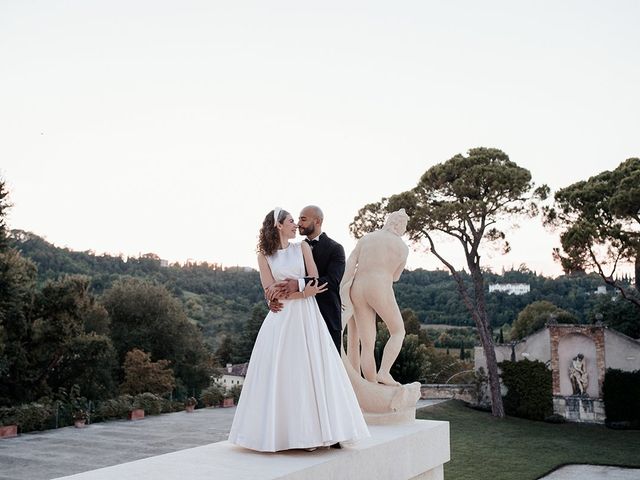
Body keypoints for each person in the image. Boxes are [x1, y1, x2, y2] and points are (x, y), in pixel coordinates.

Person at [228, 208, 369, 452]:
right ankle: (280, 434)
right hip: (280, 319)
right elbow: (269, 290)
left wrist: (298, 290)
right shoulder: (264, 256)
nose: (295, 225)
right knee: (283, 374)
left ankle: (317, 434)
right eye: (292, 221)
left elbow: (314, 280)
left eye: (298, 220)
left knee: (309, 371)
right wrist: (284, 295)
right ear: (279, 226)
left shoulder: (301, 248)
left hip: (307, 317)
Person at [340, 209, 409, 386]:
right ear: (399, 224)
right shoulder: (402, 248)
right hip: (379, 286)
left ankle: (370, 385)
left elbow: (350, 264)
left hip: (357, 287)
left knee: (367, 343)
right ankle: (384, 372)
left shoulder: (366, 239)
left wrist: (343, 291)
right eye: (404, 225)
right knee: (398, 331)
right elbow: (395, 277)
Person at [268, 205, 345, 352]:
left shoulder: (335, 248)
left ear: (317, 222)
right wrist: (272, 298)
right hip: (298, 318)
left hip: (326, 316)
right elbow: (278, 279)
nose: (298, 224)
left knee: (328, 370)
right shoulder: (293, 249)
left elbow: (332, 281)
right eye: (297, 219)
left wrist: (299, 284)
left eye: (303, 219)